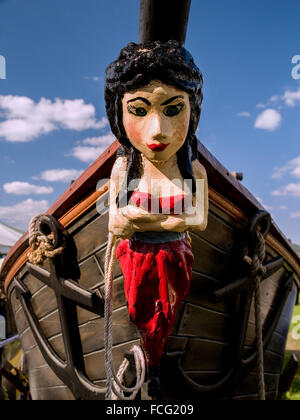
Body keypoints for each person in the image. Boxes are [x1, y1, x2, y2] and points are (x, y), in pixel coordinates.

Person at [105, 40, 208, 374]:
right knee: (139, 311)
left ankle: (156, 360)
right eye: (138, 110)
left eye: (173, 109)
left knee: (169, 312)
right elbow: (117, 224)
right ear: (118, 113)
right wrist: (172, 221)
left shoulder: (194, 172)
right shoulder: (124, 170)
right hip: (136, 261)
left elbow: (200, 219)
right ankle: (151, 359)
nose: (158, 131)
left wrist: (143, 219)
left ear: (193, 110)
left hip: (177, 258)